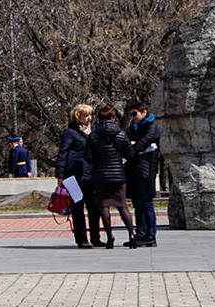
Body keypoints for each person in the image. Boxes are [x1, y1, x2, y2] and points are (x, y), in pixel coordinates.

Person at [88, 104, 134, 247]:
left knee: (104, 206)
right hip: (118, 175)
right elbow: (130, 154)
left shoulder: (94, 135)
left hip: (100, 175)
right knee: (122, 206)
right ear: (113, 118)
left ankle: (109, 237)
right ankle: (132, 235)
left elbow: (88, 156)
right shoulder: (121, 134)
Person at [56, 105, 97, 249]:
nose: (89, 118)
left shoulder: (93, 132)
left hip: (90, 174)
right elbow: (63, 153)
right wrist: (60, 174)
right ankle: (81, 238)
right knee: (78, 207)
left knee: (94, 206)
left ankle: (95, 237)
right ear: (78, 117)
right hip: (74, 175)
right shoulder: (71, 133)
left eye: (90, 115)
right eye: (85, 116)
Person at [125, 100, 162, 248]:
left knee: (146, 204)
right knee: (138, 204)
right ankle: (140, 233)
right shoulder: (133, 128)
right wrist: (131, 145)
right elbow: (127, 144)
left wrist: (133, 145)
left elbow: (140, 146)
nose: (133, 117)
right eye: (131, 114)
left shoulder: (152, 127)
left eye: (135, 113)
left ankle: (150, 235)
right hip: (134, 170)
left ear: (144, 112)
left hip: (146, 170)